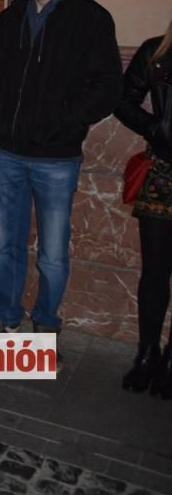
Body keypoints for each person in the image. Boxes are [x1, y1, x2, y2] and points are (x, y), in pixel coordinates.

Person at [0, 0, 122, 354]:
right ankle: (7, 317)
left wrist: (60, 121)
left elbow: (108, 87)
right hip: (7, 153)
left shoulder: (89, 17)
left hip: (56, 157)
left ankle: (46, 322)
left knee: (52, 250)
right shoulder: (10, 18)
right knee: (7, 244)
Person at [114, 20, 172, 398]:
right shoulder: (157, 51)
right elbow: (122, 99)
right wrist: (155, 127)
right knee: (154, 272)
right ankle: (147, 354)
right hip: (164, 174)